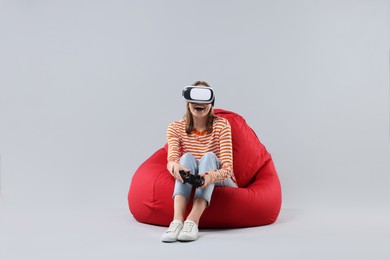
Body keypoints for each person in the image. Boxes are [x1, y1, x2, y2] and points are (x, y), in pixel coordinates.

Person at [161, 81, 238, 243]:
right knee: (186, 157)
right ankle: (177, 221)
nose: (199, 103)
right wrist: (175, 166)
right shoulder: (175, 127)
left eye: (204, 99)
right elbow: (172, 160)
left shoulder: (222, 125)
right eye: (195, 99)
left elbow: (228, 169)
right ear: (188, 103)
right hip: (192, 176)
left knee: (209, 156)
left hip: (221, 179)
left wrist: (209, 177)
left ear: (211, 104)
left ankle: (192, 221)